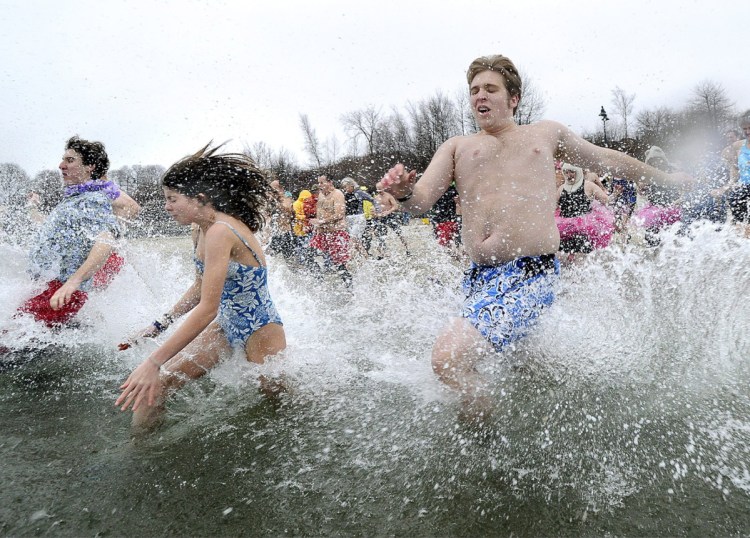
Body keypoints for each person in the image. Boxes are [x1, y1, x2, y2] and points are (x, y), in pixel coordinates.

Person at [378, 54, 692, 420]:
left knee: (448, 360)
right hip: (480, 279)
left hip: (530, 273)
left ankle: (485, 449)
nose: (480, 96)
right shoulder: (456, 147)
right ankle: (530, 423)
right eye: (474, 90)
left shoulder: (543, 134)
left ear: (513, 99)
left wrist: (667, 179)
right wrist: (403, 192)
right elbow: (419, 202)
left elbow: (609, 161)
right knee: (521, 370)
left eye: (490, 89)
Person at [115, 144, 286, 430]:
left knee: (278, 403)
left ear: (200, 198)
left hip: (260, 329)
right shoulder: (201, 229)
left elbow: (207, 309)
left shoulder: (221, 230)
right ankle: (140, 456)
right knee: (156, 388)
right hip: (227, 325)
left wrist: (153, 361)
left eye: (172, 199)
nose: (166, 207)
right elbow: (199, 287)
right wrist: (158, 325)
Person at [14, 136, 124, 329]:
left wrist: (74, 282)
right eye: (63, 159)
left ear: (90, 166)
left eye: (70, 160)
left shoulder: (92, 199)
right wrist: (32, 208)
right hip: (50, 288)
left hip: (60, 291)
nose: (61, 165)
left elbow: (106, 240)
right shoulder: (76, 198)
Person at [555, 163, 614, 258]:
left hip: (583, 225)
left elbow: (605, 200)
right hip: (564, 225)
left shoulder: (589, 185)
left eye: (572, 172)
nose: (569, 175)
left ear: (578, 172)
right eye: (566, 172)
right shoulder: (562, 188)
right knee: (563, 253)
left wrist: (610, 196)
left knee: (580, 254)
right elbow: (553, 206)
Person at [632, 146, 683, 245]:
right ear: (649, 162)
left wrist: (679, 200)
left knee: (674, 239)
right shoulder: (646, 174)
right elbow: (641, 191)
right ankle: (654, 253)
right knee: (652, 239)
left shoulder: (672, 171)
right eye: (653, 161)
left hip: (672, 208)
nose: (657, 163)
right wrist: (640, 186)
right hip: (654, 211)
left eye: (659, 160)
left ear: (663, 160)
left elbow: (682, 188)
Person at [309, 175, 352, 286]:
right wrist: (317, 226)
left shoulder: (337, 194)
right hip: (322, 233)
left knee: (339, 264)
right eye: (319, 183)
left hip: (336, 233)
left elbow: (339, 214)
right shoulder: (321, 195)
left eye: (322, 183)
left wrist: (321, 221)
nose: (320, 185)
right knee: (309, 254)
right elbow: (320, 212)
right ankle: (319, 281)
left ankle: (350, 288)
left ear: (330, 182)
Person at [725, 111, 750, 236]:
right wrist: (728, 185)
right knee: (735, 197)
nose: (748, 132)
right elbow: (734, 169)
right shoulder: (737, 146)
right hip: (743, 189)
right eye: (745, 128)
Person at [371, 186, 410, 258]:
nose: (379, 191)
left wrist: (388, 212)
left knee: (399, 232)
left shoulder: (389, 196)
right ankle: (382, 253)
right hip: (380, 218)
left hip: (390, 216)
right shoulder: (376, 197)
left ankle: (407, 248)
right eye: (378, 189)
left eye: (381, 189)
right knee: (380, 235)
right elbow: (374, 208)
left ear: (384, 188)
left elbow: (395, 206)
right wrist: (375, 214)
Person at [341, 177, 375, 257]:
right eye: (344, 187)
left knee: (353, 239)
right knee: (356, 241)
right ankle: (366, 258)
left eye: (346, 186)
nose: (345, 189)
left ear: (351, 185)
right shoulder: (345, 195)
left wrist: (375, 208)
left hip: (359, 218)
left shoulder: (359, 193)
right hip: (349, 219)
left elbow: (372, 200)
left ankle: (349, 259)